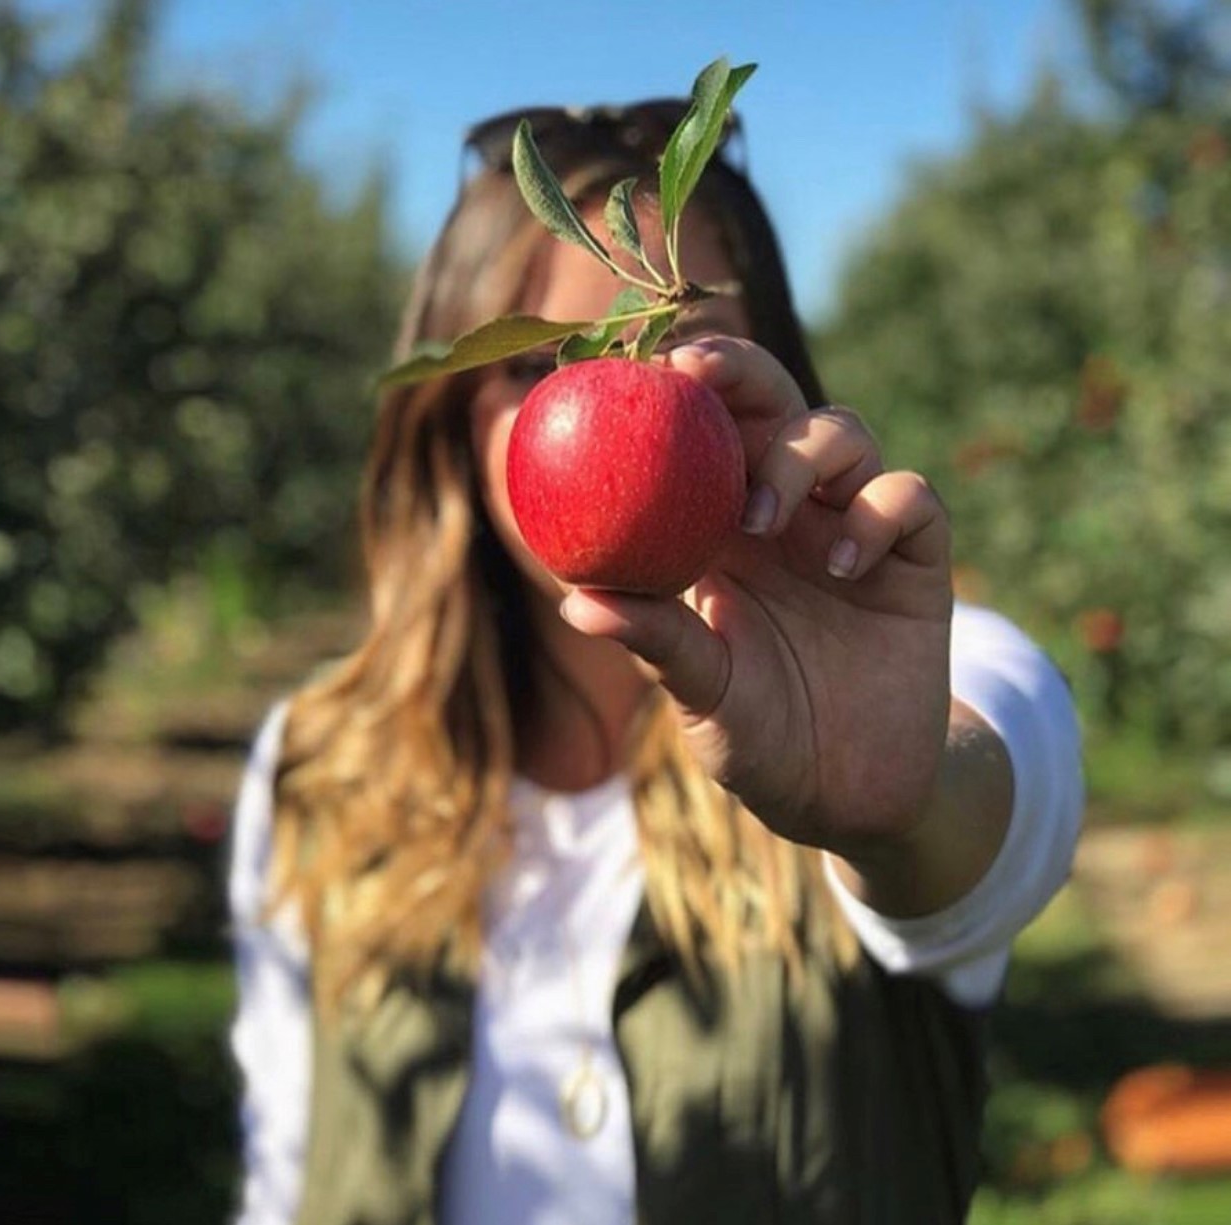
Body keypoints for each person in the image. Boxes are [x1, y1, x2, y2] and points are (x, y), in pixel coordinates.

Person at [227, 98, 1083, 1225]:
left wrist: (902, 805)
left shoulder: (919, 668)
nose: (614, 385)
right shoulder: (321, 766)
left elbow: (993, 808)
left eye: (677, 357)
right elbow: (286, 1170)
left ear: (764, 383)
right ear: (451, 422)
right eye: (538, 366)